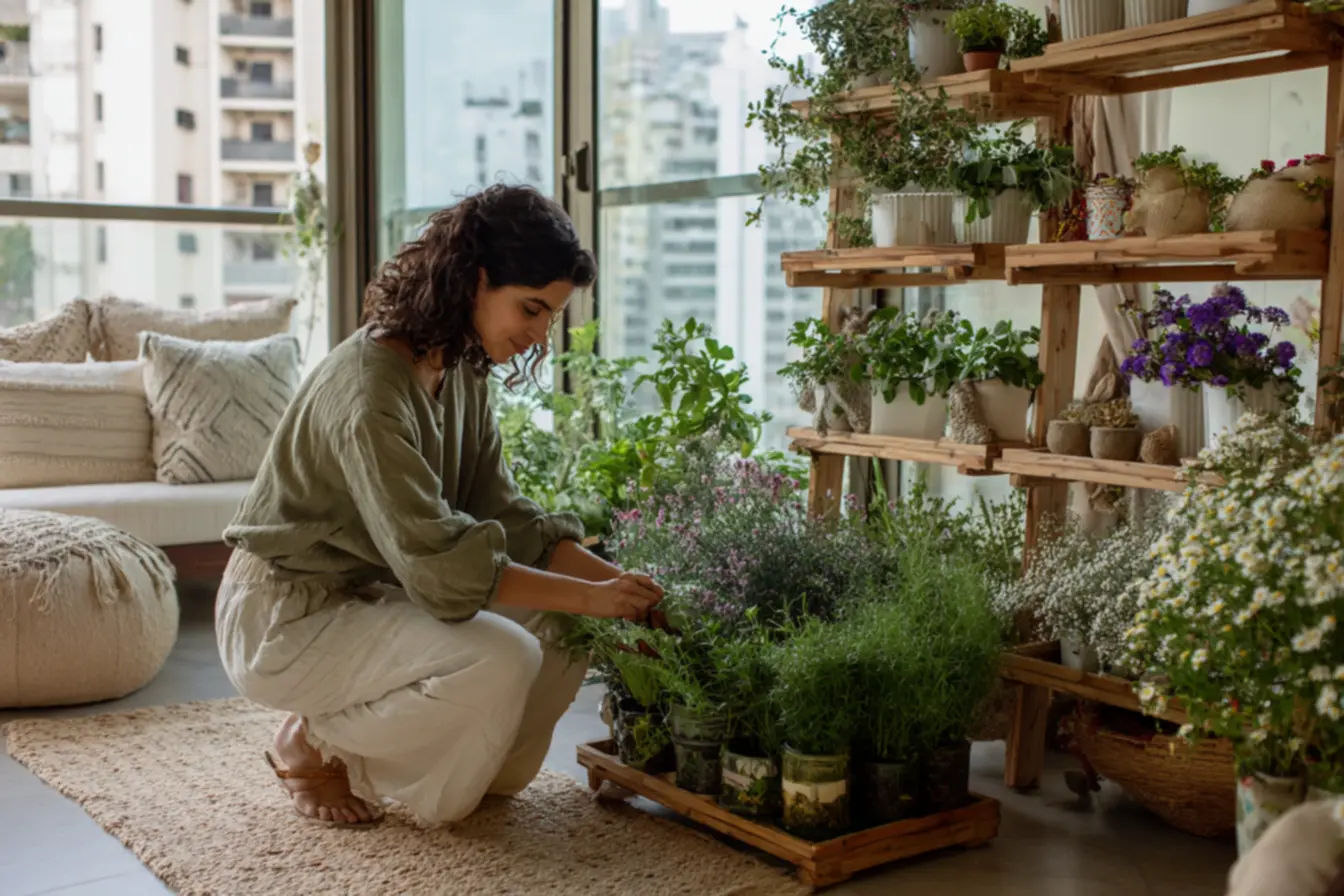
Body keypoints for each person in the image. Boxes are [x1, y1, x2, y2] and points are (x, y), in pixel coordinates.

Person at [215, 184, 664, 828]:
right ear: (475, 280)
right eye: (531, 309)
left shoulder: (460, 371)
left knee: (526, 712)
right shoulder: (369, 392)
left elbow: (506, 516)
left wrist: (632, 596)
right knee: (505, 657)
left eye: (550, 317)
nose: (540, 335)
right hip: (283, 614)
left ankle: (442, 759)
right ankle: (318, 742)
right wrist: (597, 598)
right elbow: (441, 567)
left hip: (370, 593)